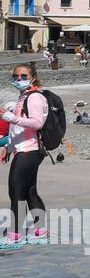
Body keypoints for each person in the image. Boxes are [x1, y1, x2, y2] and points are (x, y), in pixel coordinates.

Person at [1, 64, 50, 250]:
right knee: (29, 191)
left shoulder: (35, 97)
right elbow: (18, 130)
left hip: (30, 150)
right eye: (16, 76)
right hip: (24, 149)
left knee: (16, 192)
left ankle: (15, 234)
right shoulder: (24, 97)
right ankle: (40, 231)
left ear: (33, 77)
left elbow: (36, 123)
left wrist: (9, 117)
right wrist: (9, 146)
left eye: (23, 76)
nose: (19, 79)